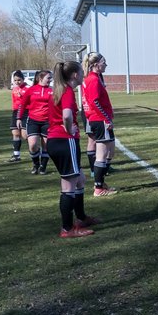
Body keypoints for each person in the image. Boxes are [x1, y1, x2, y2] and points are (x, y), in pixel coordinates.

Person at [47, 60, 97, 238]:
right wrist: (69, 129)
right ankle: (67, 229)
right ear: (75, 75)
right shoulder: (67, 91)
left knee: (80, 179)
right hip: (64, 141)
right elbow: (66, 115)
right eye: (82, 72)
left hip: (56, 141)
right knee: (68, 185)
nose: (84, 74)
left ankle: (81, 218)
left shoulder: (58, 91)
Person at [82, 53, 117, 197]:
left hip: (98, 119)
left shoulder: (93, 78)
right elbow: (95, 102)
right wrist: (106, 119)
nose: (106, 65)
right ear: (96, 65)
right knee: (102, 154)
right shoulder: (93, 80)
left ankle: (101, 183)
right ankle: (98, 188)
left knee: (109, 151)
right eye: (104, 62)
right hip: (99, 120)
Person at [22, 69, 54, 174]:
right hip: (33, 121)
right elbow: (22, 105)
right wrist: (19, 119)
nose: (50, 80)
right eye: (48, 78)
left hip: (47, 122)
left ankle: (43, 167)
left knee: (46, 146)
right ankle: (35, 164)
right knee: (33, 145)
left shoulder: (52, 91)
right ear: (40, 78)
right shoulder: (31, 90)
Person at [6, 70, 27, 162]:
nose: (17, 82)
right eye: (15, 80)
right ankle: (16, 156)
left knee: (25, 135)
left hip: (25, 112)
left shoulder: (27, 89)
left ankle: (36, 153)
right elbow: (14, 101)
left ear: (23, 79)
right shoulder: (14, 89)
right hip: (15, 112)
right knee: (15, 133)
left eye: (19, 80)